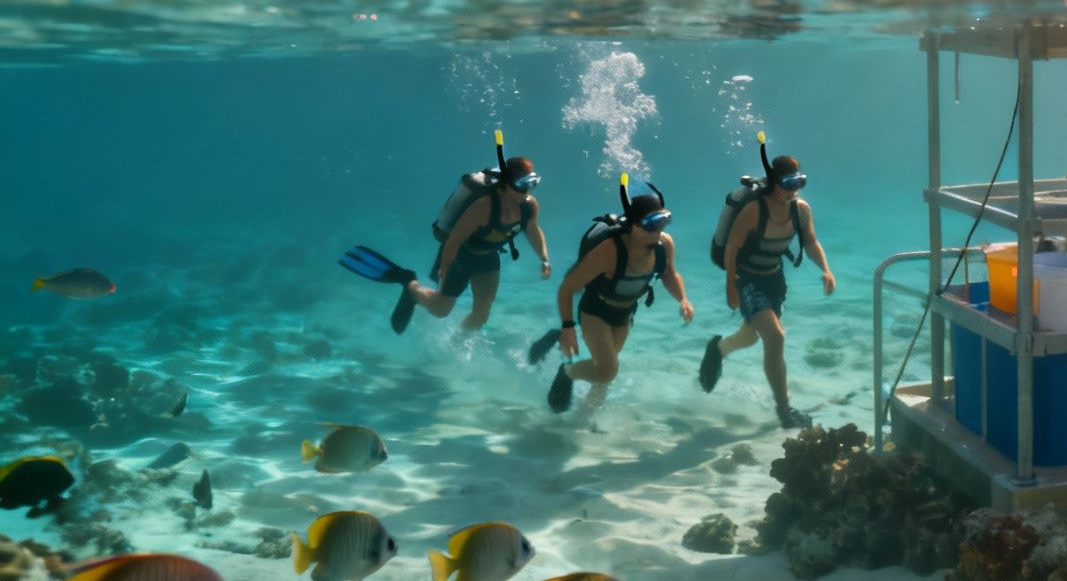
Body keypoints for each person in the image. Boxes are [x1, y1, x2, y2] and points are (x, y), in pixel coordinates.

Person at [341, 143, 549, 335]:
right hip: (460, 255)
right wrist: (444, 266)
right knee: (441, 310)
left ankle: (457, 344)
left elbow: (532, 229)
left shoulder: (530, 205)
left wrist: (544, 258)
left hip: (488, 257)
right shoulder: (483, 207)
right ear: (506, 185)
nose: (528, 190)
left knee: (481, 315)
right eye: (523, 185)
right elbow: (454, 240)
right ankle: (410, 284)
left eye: (532, 183)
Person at [700, 155, 834, 428]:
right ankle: (784, 410)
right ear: (774, 182)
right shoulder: (754, 210)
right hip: (746, 279)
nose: (794, 188)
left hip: (774, 280)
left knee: (750, 337)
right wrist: (730, 286)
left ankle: (718, 349)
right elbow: (732, 248)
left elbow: (810, 242)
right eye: (788, 182)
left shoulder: (800, 210)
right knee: (775, 336)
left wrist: (826, 269)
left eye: (799, 182)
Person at [537, 185, 692, 415]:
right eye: (652, 224)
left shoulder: (664, 245)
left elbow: (669, 274)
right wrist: (568, 328)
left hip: (625, 314)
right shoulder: (609, 251)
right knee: (608, 370)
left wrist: (683, 299)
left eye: (663, 221)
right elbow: (567, 288)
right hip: (595, 311)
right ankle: (568, 372)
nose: (658, 230)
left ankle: (582, 419)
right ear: (634, 226)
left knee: (603, 377)